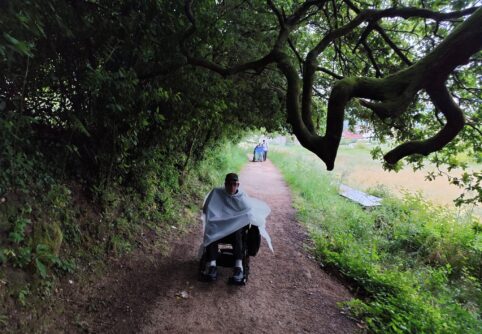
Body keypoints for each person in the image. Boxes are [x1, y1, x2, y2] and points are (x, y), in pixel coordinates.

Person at [201, 173, 272, 284]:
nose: (232, 187)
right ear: (225, 184)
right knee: (212, 228)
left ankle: (239, 267)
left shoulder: (242, 198)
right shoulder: (216, 193)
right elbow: (206, 210)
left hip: (234, 231)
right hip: (219, 227)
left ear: (238, 185)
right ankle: (212, 265)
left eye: (235, 184)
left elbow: (249, 213)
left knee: (239, 231)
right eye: (229, 184)